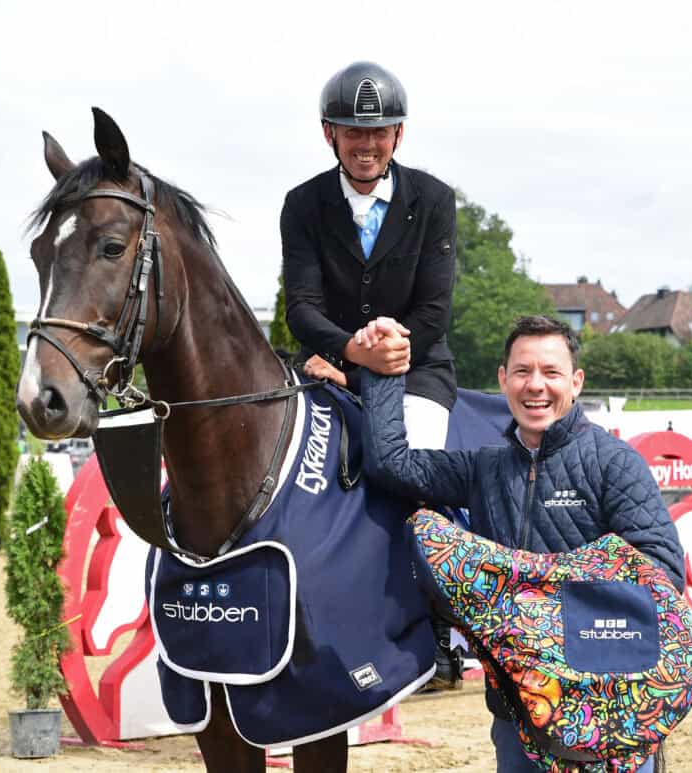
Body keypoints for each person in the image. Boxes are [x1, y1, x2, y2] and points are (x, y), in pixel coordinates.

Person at [357, 314, 685, 772]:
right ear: (502, 379)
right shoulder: (484, 469)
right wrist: (383, 371)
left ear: (575, 382)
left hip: (608, 708)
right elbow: (391, 464)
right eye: (522, 372)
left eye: (551, 373)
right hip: (517, 712)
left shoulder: (615, 464)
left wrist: (545, 601)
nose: (536, 386)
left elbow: (663, 573)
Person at [281, 60, 463, 687]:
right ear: (329, 133)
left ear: (398, 136)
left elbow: (435, 310)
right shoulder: (302, 204)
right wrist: (350, 353)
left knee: (413, 468)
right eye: (352, 132)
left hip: (417, 370)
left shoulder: (433, 200)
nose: (366, 144)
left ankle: (442, 626)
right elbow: (300, 305)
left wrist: (387, 352)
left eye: (379, 132)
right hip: (332, 365)